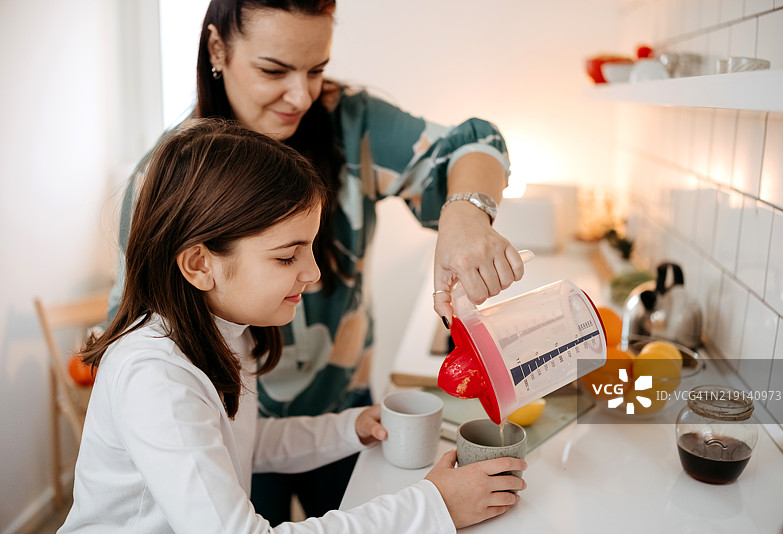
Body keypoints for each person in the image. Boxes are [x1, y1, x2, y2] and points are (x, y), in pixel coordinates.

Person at [107, 0, 525, 523]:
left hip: (331, 413)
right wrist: (433, 508)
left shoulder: (349, 120)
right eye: (273, 70)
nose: (302, 95)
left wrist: (465, 214)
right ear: (217, 49)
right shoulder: (162, 373)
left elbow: (475, 144)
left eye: (317, 69)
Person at [60, 119, 526, 533]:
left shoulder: (220, 331)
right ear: (200, 264)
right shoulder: (156, 378)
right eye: (287, 255)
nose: (313, 272)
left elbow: (242, 443)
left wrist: (353, 427)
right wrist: (435, 505)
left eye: (309, 248)